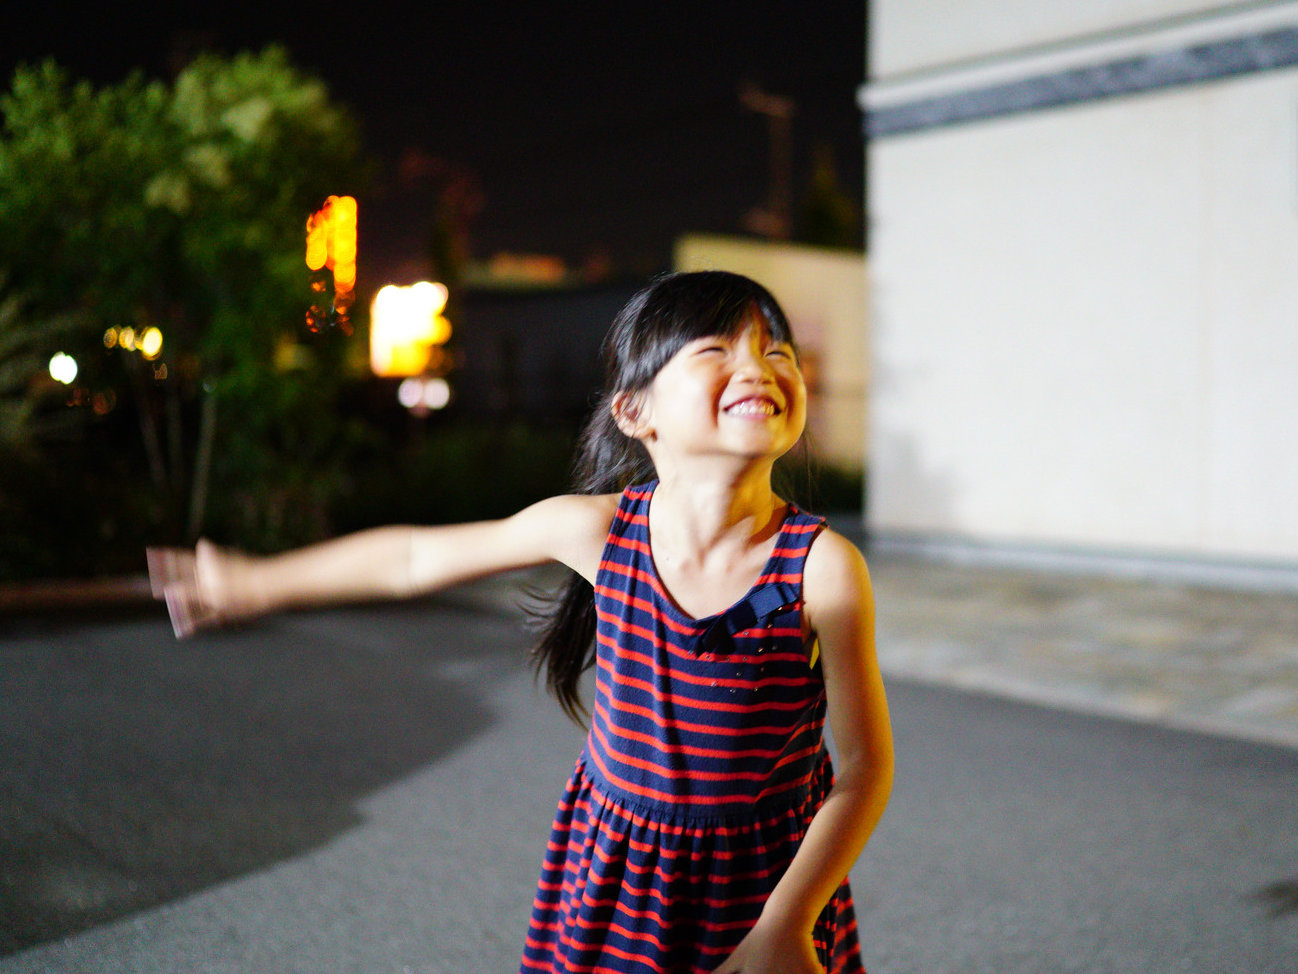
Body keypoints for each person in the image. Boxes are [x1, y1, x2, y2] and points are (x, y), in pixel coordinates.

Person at [150, 270, 895, 974]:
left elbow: (863, 768)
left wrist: (787, 920)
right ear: (635, 412)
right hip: (619, 874)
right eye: (715, 350)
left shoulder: (820, 569)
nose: (759, 368)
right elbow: (412, 558)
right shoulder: (598, 533)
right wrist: (257, 581)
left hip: (767, 883)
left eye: (777, 351)